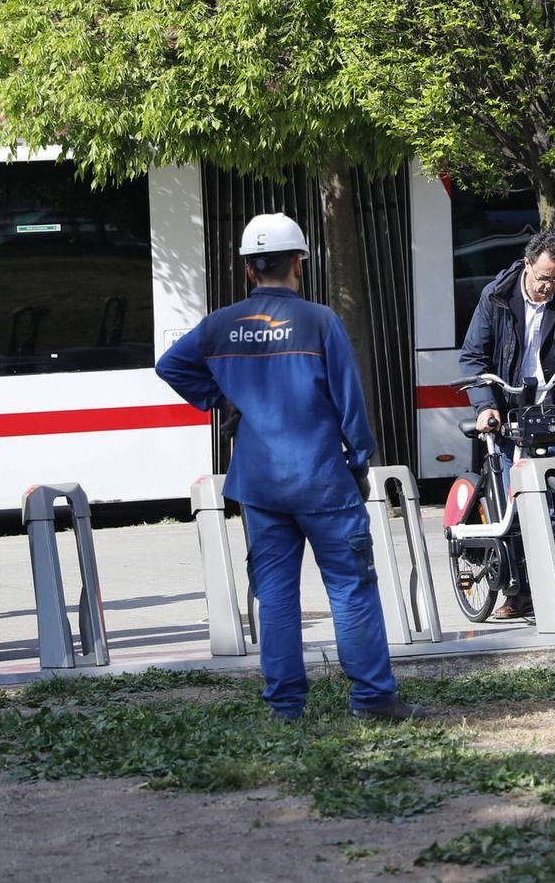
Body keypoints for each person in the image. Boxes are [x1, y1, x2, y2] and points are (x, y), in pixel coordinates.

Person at [155, 213, 423, 723]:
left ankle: (285, 707)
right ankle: (371, 699)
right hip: (323, 479)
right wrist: (361, 459)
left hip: (258, 484)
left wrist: (220, 399)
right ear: (299, 262)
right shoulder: (321, 321)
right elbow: (349, 402)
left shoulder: (220, 324)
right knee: (350, 586)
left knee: (275, 595)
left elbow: (170, 365)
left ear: (249, 270)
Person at [457, 228, 555, 618]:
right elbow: (473, 357)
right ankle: (518, 591)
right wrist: (484, 406)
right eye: (544, 278)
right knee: (519, 508)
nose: (549, 287)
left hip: (554, 407)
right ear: (528, 265)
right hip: (510, 410)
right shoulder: (497, 296)